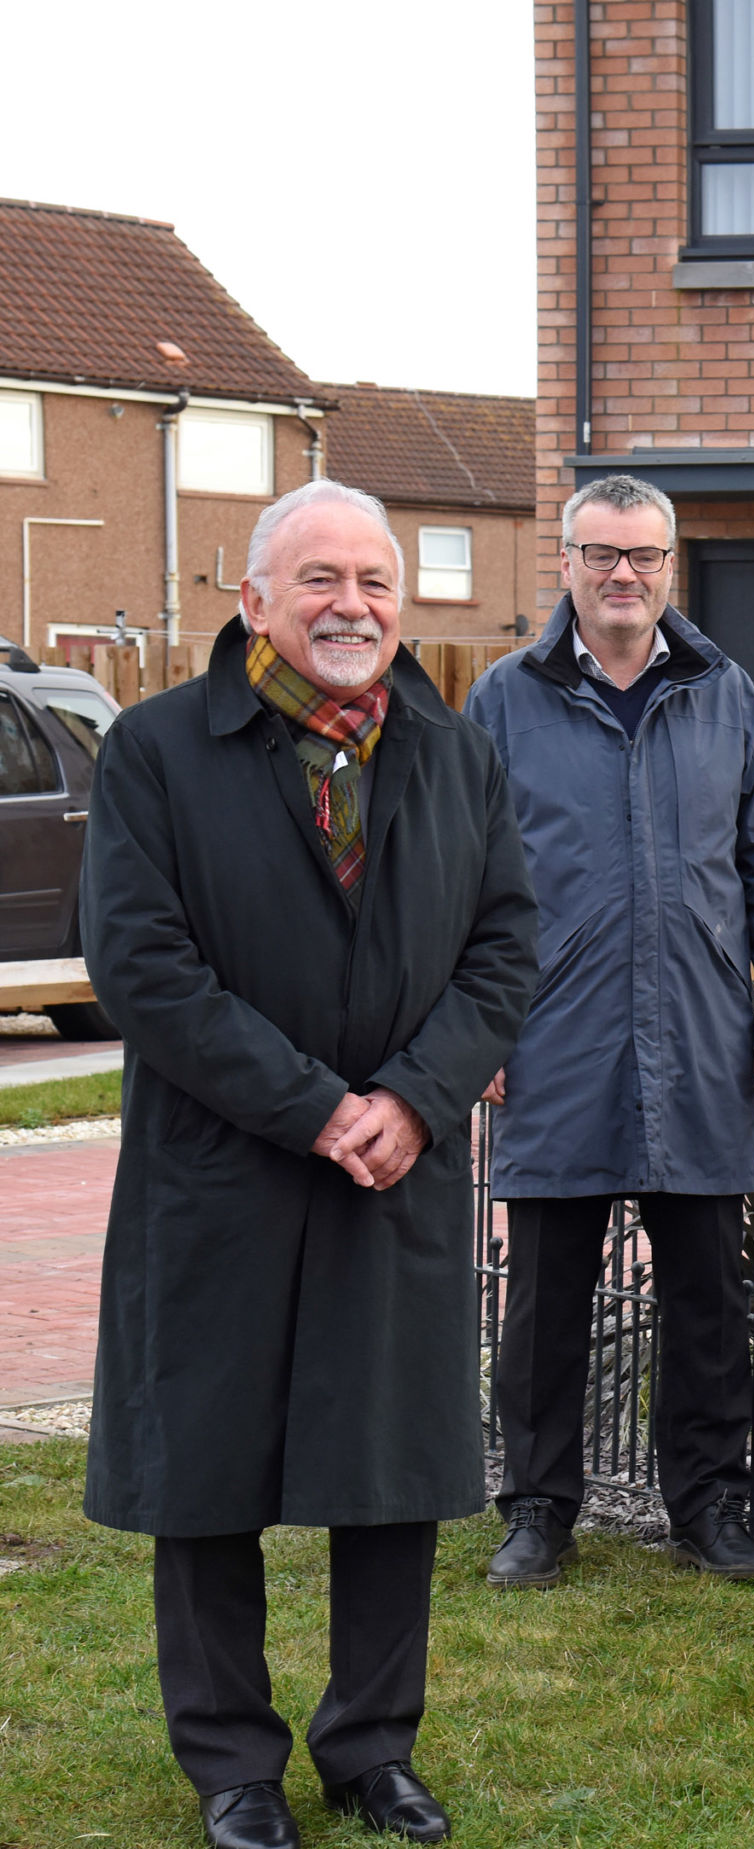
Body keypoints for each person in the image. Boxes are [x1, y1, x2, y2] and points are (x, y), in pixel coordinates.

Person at [81, 478, 538, 1848]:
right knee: (206, 1472)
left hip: (397, 1171)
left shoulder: (454, 754)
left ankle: (369, 1748)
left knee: (389, 1468)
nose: (353, 606)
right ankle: (231, 1763)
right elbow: (143, 967)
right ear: (256, 599)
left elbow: (507, 945)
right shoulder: (157, 753)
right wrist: (314, 1106)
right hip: (220, 1174)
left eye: (376, 582)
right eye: (322, 579)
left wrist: (411, 1095)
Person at [465, 474, 754, 1589]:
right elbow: (455, 881)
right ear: (564, 563)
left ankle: (708, 1503)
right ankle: (537, 1508)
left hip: (706, 1042)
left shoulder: (726, 693)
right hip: (550, 1042)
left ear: (672, 567)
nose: (624, 575)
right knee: (543, 1304)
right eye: (601, 554)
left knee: (708, 1294)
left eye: (645, 557)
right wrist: (474, 1032)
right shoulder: (504, 699)